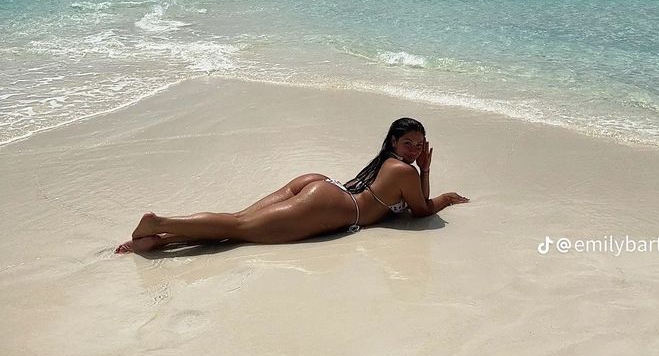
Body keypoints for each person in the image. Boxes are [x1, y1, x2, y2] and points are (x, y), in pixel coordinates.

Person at [116, 117, 469, 254]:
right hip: (332, 206)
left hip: (321, 185)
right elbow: (421, 211)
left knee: (239, 226)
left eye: (420, 144)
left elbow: (408, 209)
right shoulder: (405, 171)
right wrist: (444, 194)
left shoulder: (389, 164)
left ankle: (157, 241)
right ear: (393, 143)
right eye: (409, 143)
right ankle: (159, 223)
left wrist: (420, 168)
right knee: (241, 228)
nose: (416, 149)